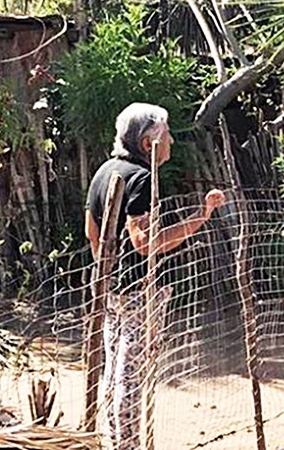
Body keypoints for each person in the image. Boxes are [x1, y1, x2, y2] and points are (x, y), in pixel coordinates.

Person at [85, 103, 226, 450]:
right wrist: (201, 217)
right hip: (138, 290)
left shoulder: (105, 170)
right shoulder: (142, 178)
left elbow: (91, 231)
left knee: (114, 370)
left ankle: (114, 439)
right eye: (167, 136)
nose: (173, 142)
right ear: (149, 143)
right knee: (131, 376)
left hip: (112, 289)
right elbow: (145, 242)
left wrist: (107, 274)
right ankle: (128, 445)